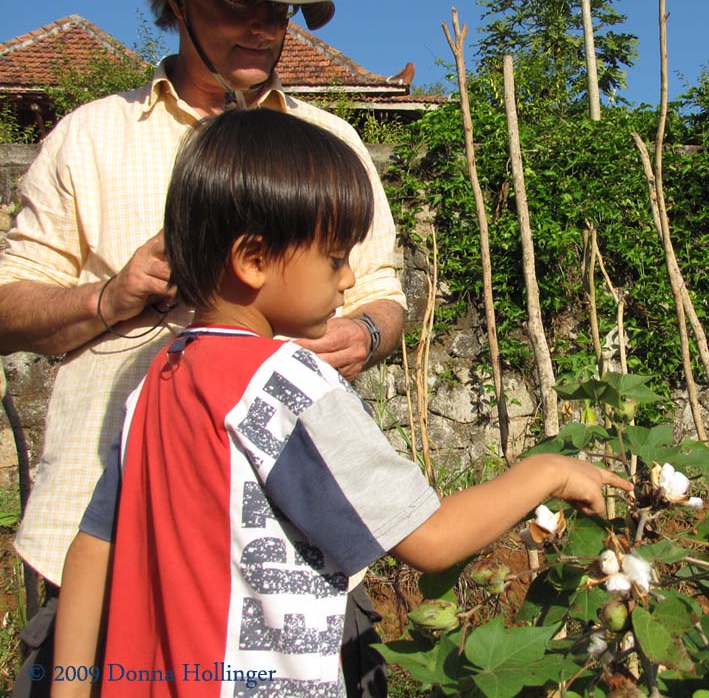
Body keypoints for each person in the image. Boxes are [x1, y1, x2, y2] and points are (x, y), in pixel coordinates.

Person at [51, 109, 634, 697]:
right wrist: (549, 470)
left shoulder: (160, 380)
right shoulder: (282, 383)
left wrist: (70, 687)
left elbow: (94, 544)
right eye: (335, 257)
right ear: (253, 260)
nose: (350, 278)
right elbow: (428, 541)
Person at [2, 0, 404, 696]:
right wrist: (107, 297)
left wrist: (365, 331)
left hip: (291, 558)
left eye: (278, 10)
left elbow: (384, 293)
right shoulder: (91, 139)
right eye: (236, 4)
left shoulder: (331, 145)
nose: (261, 26)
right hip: (117, 547)